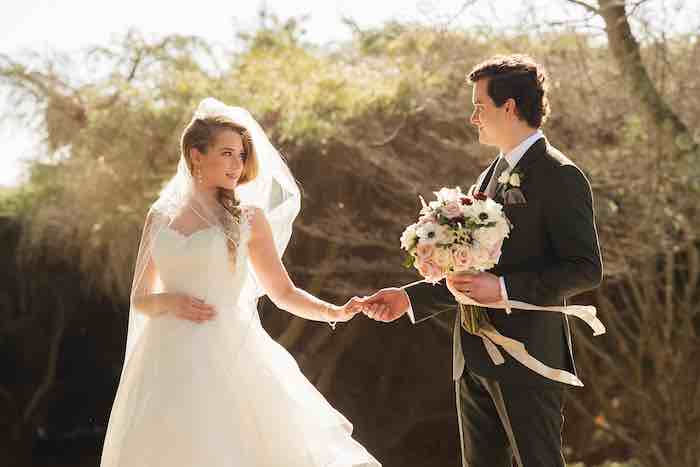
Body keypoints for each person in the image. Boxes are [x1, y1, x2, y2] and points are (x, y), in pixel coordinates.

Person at [100, 98, 381, 467]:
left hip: (228, 349)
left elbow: (283, 292)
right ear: (196, 155)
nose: (238, 164)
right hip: (164, 356)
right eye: (228, 153)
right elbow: (140, 298)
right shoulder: (160, 216)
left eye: (242, 155)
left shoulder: (248, 218)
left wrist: (336, 311)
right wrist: (171, 301)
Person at [361, 54, 603, 466]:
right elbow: (471, 271)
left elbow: (585, 268)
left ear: (509, 107)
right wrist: (409, 299)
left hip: (528, 355)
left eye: (479, 106)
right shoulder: (487, 176)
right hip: (472, 355)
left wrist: (505, 289)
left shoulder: (560, 174)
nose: (473, 117)